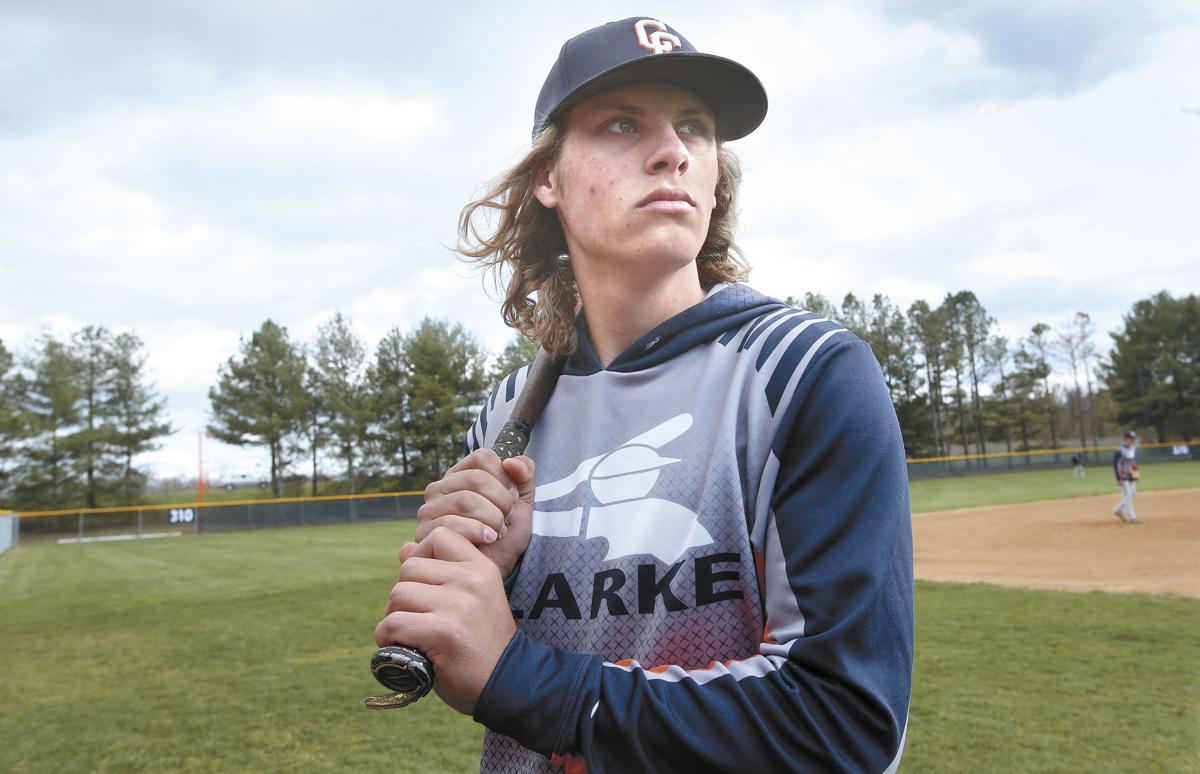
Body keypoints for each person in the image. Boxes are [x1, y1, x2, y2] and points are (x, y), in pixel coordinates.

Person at [375, 17, 914, 773]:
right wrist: (485, 582)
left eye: (694, 128)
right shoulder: (505, 416)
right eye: (622, 124)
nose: (673, 151)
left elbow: (843, 725)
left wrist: (519, 680)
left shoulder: (806, 374)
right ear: (548, 179)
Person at [1112, 431, 1140, 523]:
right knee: (1128, 494)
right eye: (1130, 438)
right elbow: (1115, 464)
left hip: (1130, 474)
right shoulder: (1119, 451)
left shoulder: (1132, 449)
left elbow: (1133, 462)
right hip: (1122, 475)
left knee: (1133, 494)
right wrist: (1118, 478)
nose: (1131, 440)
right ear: (1125, 439)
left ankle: (1117, 509)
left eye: (1132, 439)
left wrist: (1136, 472)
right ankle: (1132, 517)